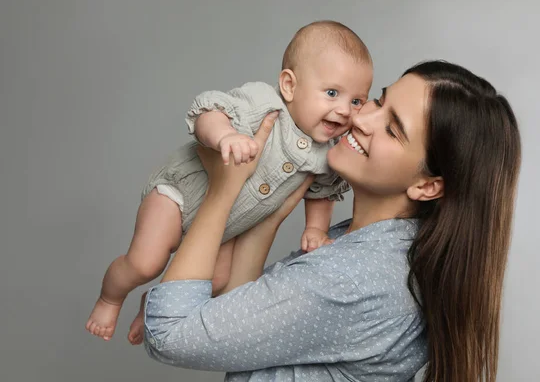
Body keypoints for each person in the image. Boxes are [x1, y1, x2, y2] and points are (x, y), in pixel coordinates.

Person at [142, 60, 522, 382]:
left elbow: (168, 334)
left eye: (391, 129)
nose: (360, 117)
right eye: (379, 100)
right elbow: (236, 317)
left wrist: (222, 192)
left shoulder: (354, 276)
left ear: (427, 185)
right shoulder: (381, 245)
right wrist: (270, 217)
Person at [85, 20, 373, 343]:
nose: (344, 110)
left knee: (214, 283)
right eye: (332, 93)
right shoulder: (265, 104)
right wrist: (225, 136)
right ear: (290, 86)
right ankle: (110, 297)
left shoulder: (327, 154)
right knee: (144, 262)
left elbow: (320, 192)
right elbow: (209, 110)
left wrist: (316, 230)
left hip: (224, 228)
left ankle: (151, 304)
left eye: (357, 101)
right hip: (179, 195)